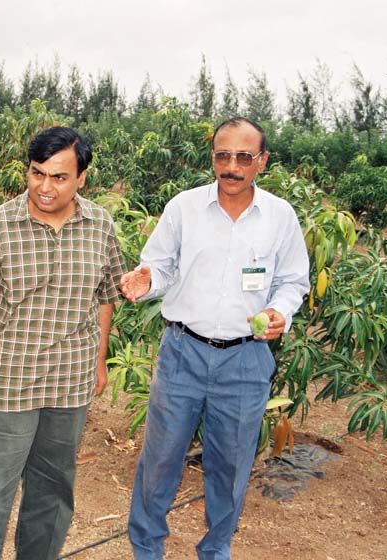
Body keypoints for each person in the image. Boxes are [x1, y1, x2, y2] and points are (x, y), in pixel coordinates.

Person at [121, 117, 310, 560]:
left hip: (245, 358)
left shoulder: (280, 216)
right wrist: (148, 280)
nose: (232, 166)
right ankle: (146, 547)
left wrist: (279, 311)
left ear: (262, 161)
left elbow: (293, 281)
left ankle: (216, 548)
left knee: (230, 465)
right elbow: (160, 266)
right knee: (161, 458)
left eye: (244, 157)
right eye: (223, 155)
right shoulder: (184, 208)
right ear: (213, 158)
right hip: (183, 351)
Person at [0, 126, 127, 560]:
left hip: (70, 379)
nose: (45, 186)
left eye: (59, 177)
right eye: (37, 173)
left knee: (53, 487)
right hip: (7, 380)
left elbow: (105, 297)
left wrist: (99, 361)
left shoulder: (100, 225)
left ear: (81, 179)